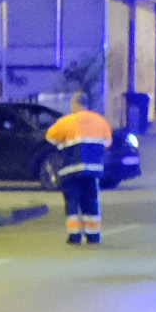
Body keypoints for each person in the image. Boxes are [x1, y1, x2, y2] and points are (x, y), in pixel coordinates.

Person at [47, 86, 113, 248]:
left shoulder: (66, 122)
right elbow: (107, 143)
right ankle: (93, 236)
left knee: (72, 201)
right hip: (92, 171)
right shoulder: (101, 121)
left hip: (71, 170)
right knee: (91, 201)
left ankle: (75, 236)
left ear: (75, 104)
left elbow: (50, 137)